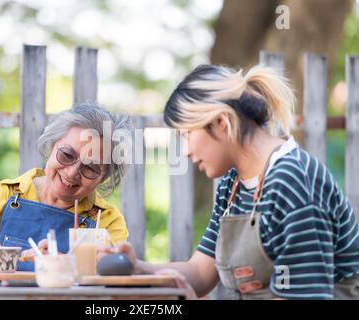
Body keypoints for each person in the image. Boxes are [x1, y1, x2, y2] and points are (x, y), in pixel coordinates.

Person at [100, 64, 359, 299]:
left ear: (221, 122)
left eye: (186, 135)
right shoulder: (233, 185)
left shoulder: (292, 183)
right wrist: (137, 268)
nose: (185, 151)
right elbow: (200, 273)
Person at [0, 103, 133, 271]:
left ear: (103, 178)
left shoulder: (107, 221)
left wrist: (62, 265)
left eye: (91, 168)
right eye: (67, 155)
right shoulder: (0, 196)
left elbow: (112, 281)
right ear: (51, 147)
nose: (71, 173)